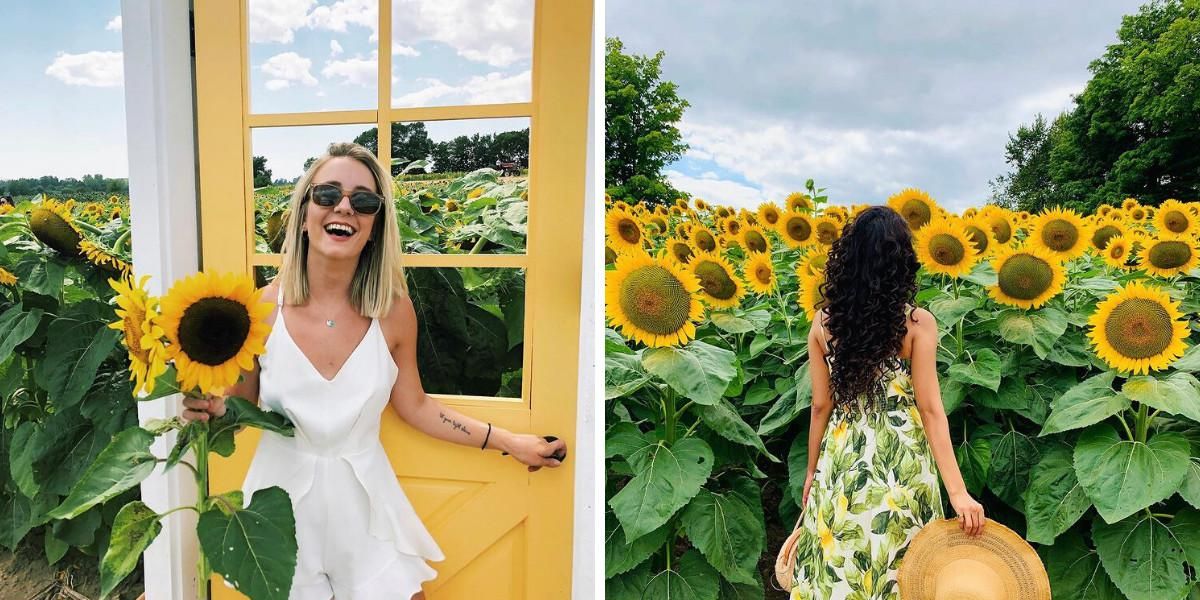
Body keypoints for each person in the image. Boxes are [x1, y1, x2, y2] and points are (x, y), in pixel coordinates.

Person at [181, 141, 567, 600]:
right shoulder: (261, 310)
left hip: (365, 507)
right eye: (327, 195)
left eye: (364, 201)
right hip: (279, 509)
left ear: (375, 226)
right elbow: (241, 407)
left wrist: (509, 441)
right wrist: (210, 408)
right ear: (303, 214)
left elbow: (417, 407)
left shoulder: (393, 312)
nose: (344, 207)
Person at [789, 205, 984, 599]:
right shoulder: (917, 323)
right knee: (907, 571)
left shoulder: (823, 324)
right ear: (902, 263)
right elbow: (931, 410)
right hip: (903, 463)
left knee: (840, 560)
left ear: (848, 259)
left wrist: (812, 471)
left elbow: (820, 408)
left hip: (843, 461)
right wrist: (958, 492)